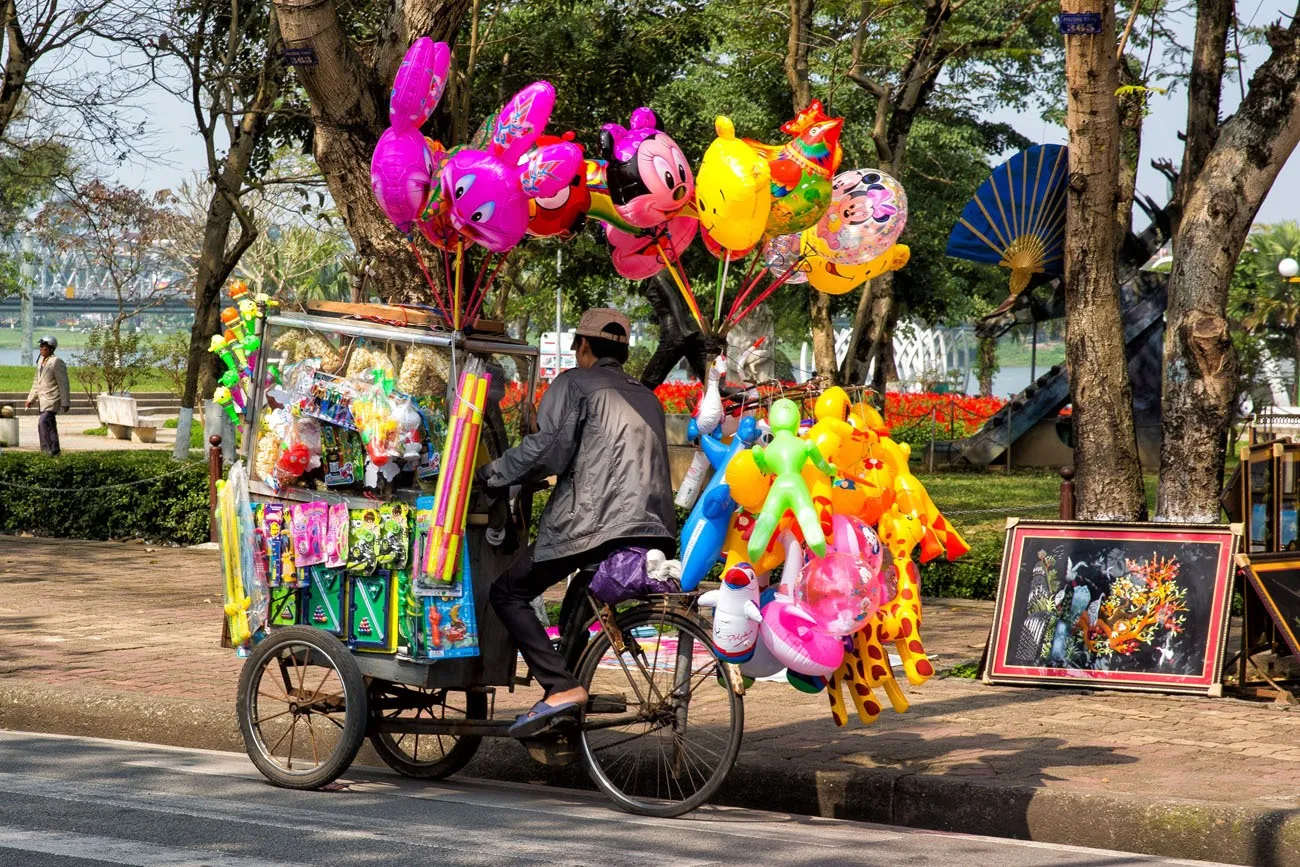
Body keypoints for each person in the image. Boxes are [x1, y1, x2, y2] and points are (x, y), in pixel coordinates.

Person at [477, 308, 677, 738]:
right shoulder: (646, 395)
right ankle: (562, 721)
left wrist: (491, 474)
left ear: (583, 347)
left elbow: (546, 450)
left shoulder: (575, 384)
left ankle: (560, 688)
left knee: (509, 592)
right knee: (577, 614)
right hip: (652, 524)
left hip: (597, 522)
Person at [24, 336, 71, 456]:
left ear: (51, 348)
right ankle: (55, 449)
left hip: (52, 399)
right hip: (42, 400)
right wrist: (30, 399)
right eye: (40, 346)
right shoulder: (41, 362)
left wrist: (65, 402)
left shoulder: (56, 361)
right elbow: (36, 382)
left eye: (43, 346)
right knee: (50, 424)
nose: (41, 348)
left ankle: (46, 450)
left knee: (43, 422)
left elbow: (63, 383)